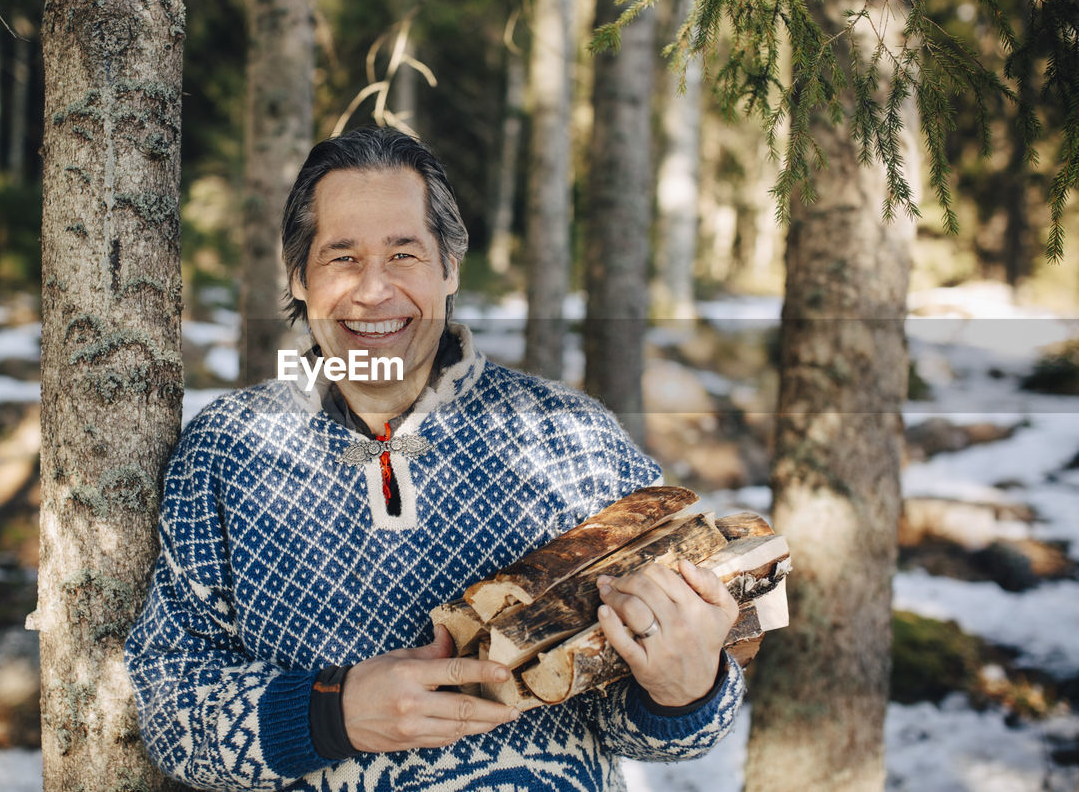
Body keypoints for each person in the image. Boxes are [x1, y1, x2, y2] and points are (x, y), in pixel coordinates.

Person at [125, 126, 744, 791]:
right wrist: (333, 715)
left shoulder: (571, 436)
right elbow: (166, 698)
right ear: (299, 277)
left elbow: (652, 727)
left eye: (403, 254)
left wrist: (685, 687)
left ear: (449, 266)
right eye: (342, 258)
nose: (373, 291)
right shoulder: (228, 451)